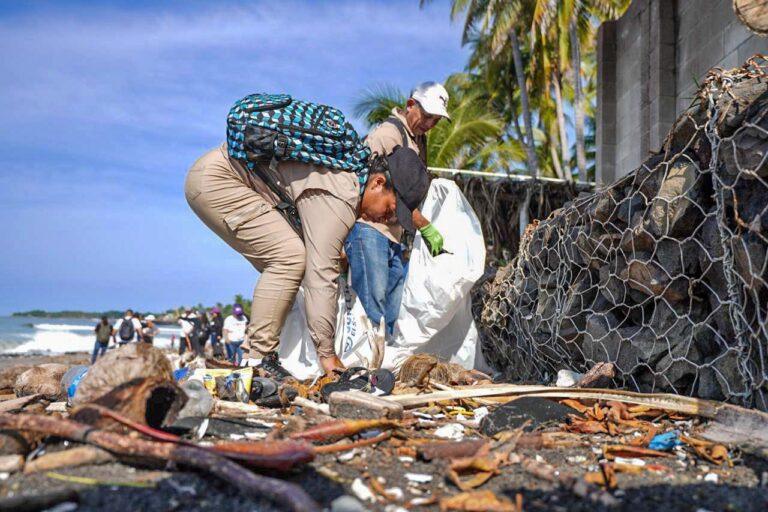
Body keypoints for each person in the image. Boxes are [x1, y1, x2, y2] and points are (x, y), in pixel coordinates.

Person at [185, 134, 429, 377]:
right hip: (219, 181)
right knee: (289, 257)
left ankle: (256, 355)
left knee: (291, 264)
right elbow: (320, 276)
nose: (388, 219)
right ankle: (258, 361)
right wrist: (327, 355)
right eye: (391, 209)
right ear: (377, 183)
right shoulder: (343, 194)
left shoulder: (350, 178)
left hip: (223, 176)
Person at [345, 82, 450, 336]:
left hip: (393, 235)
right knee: (372, 306)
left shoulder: (418, 141)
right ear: (410, 105)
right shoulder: (387, 135)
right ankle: (365, 365)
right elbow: (359, 182)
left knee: (392, 308)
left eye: (435, 120)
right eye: (426, 116)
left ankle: (384, 364)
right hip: (370, 230)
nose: (429, 124)